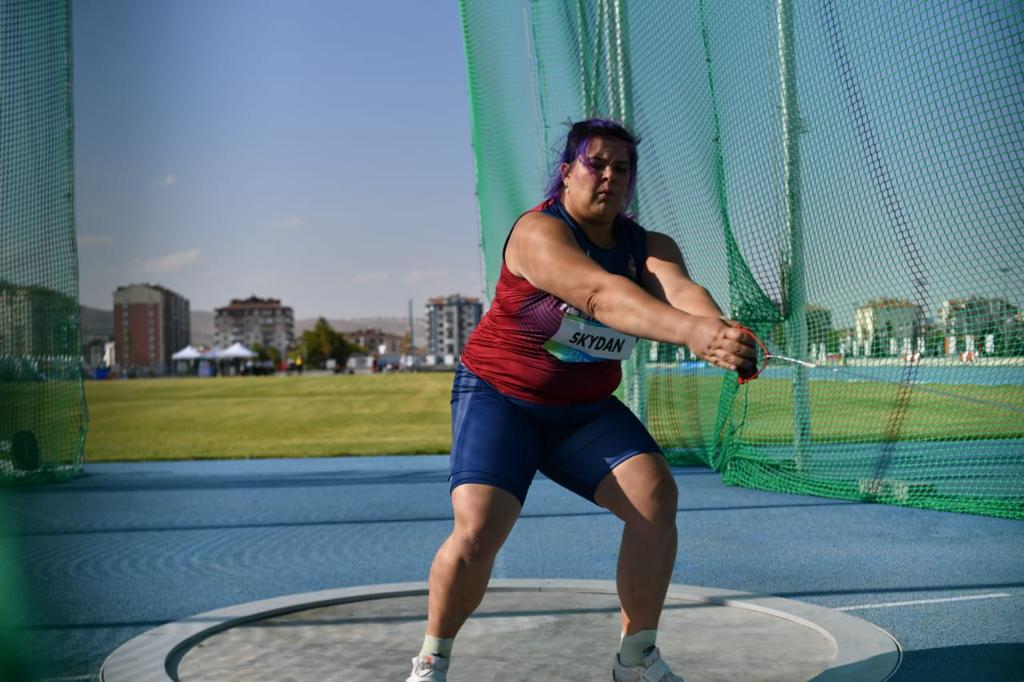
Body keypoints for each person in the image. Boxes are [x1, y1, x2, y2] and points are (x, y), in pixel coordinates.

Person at [407, 118, 756, 682]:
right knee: (477, 531)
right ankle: (431, 660)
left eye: (623, 168)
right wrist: (692, 335)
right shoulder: (536, 233)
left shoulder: (648, 247)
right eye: (597, 163)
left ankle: (635, 659)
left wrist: (721, 331)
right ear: (567, 172)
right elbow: (599, 294)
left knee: (655, 498)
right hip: (503, 399)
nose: (611, 176)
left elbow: (684, 293)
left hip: (583, 413)